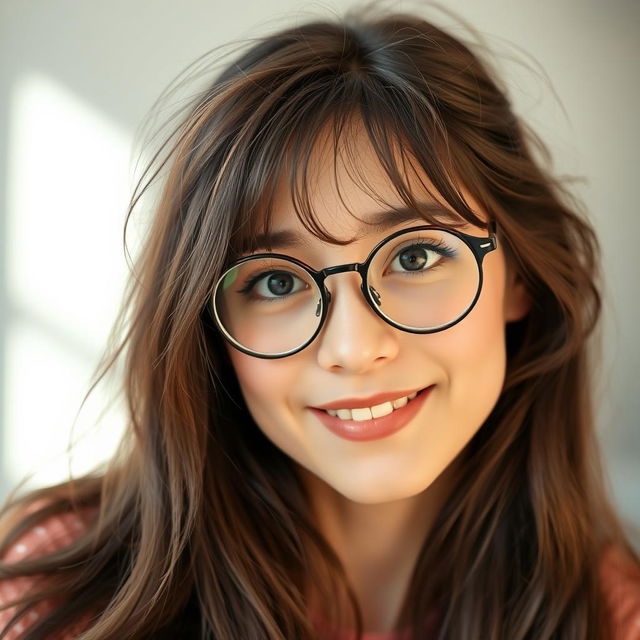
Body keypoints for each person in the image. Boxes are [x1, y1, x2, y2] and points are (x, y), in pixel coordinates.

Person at [1, 3, 639, 639]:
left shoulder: (615, 618)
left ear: (520, 275)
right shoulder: (60, 604)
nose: (354, 349)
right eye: (276, 282)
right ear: (205, 329)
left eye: (416, 257)